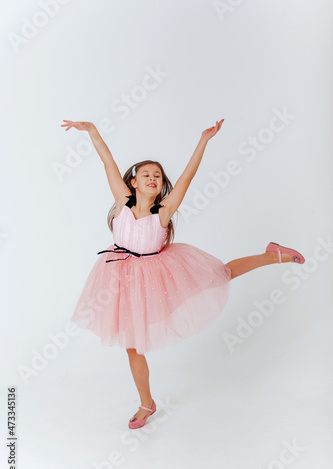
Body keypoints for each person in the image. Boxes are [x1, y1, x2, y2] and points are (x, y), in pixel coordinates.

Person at [61, 119, 305, 429]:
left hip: (157, 273)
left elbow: (187, 177)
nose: (152, 177)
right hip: (120, 278)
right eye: (145, 174)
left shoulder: (162, 211)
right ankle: (146, 403)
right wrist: (93, 131)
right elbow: (107, 161)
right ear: (133, 182)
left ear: (161, 185)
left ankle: (272, 255)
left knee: (222, 273)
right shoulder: (123, 202)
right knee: (132, 346)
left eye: (157, 175)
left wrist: (203, 141)